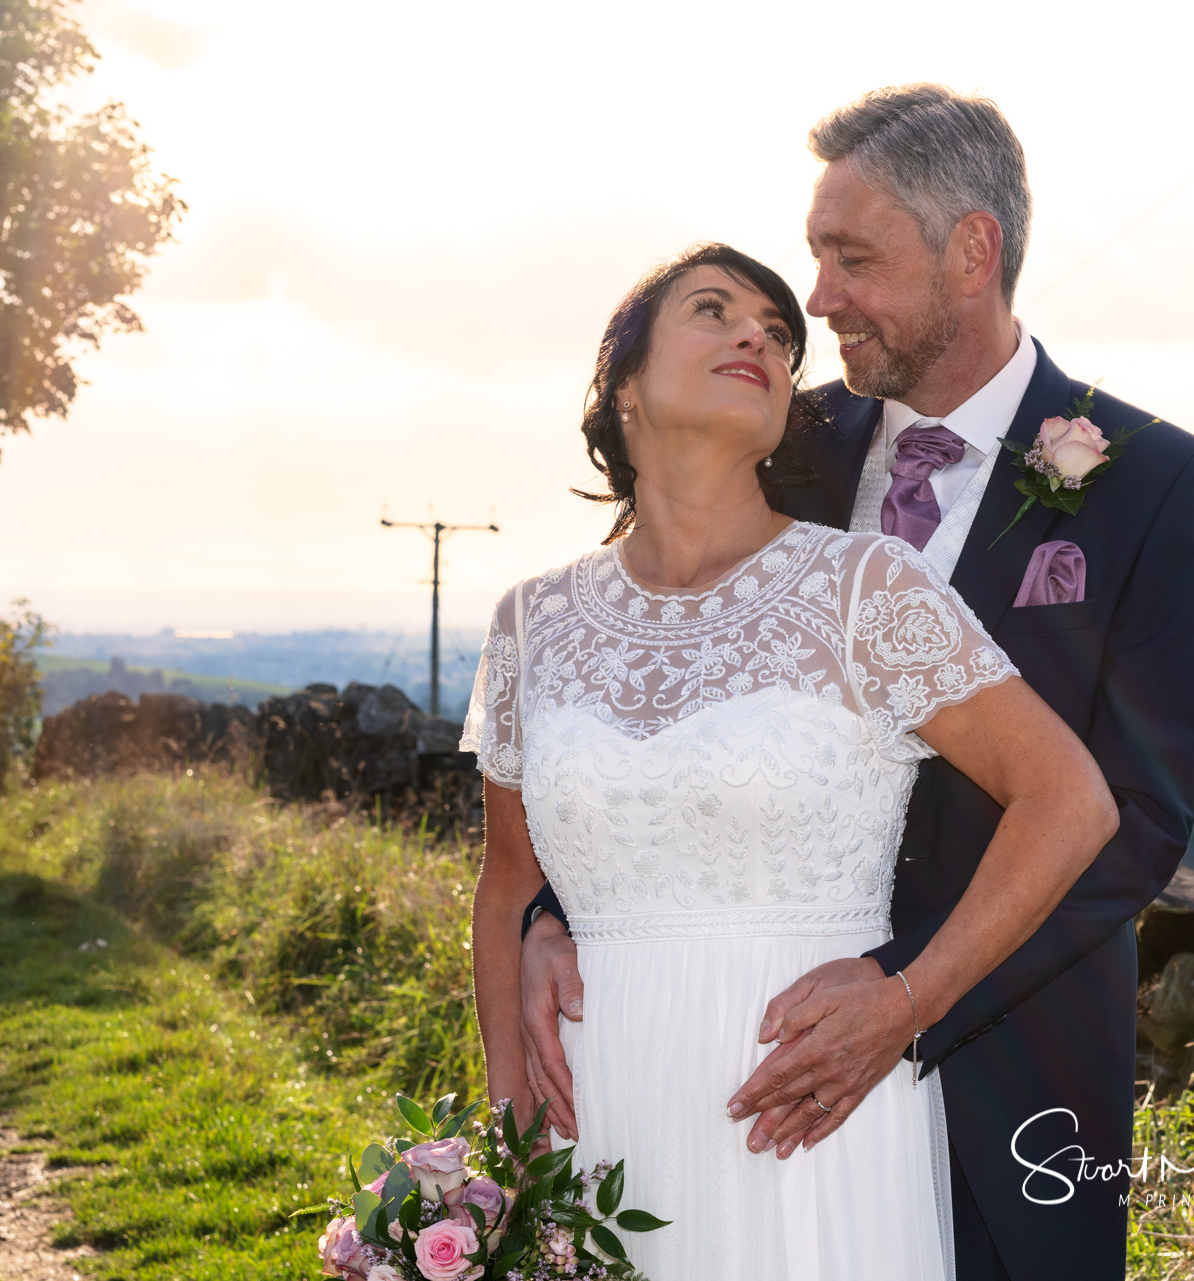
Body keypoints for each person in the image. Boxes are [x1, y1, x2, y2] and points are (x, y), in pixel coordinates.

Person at [513, 86, 1194, 1280]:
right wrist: (554, 913)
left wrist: (904, 1001)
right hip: (738, 1070)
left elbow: (1137, 822)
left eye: (852, 258)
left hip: (1015, 1077)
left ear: (972, 251)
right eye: (816, 256)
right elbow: (627, 682)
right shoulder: (776, 442)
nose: (819, 298)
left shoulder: (1158, 483)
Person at [463, 240, 1121, 1280]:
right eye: (715, 312)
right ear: (623, 382)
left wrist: (909, 999)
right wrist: (504, 1146)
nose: (756, 338)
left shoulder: (867, 587)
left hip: (809, 1109)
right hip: (595, 1110)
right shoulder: (531, 623)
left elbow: (1069, 800)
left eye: (778, 334)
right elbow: (508, 888)